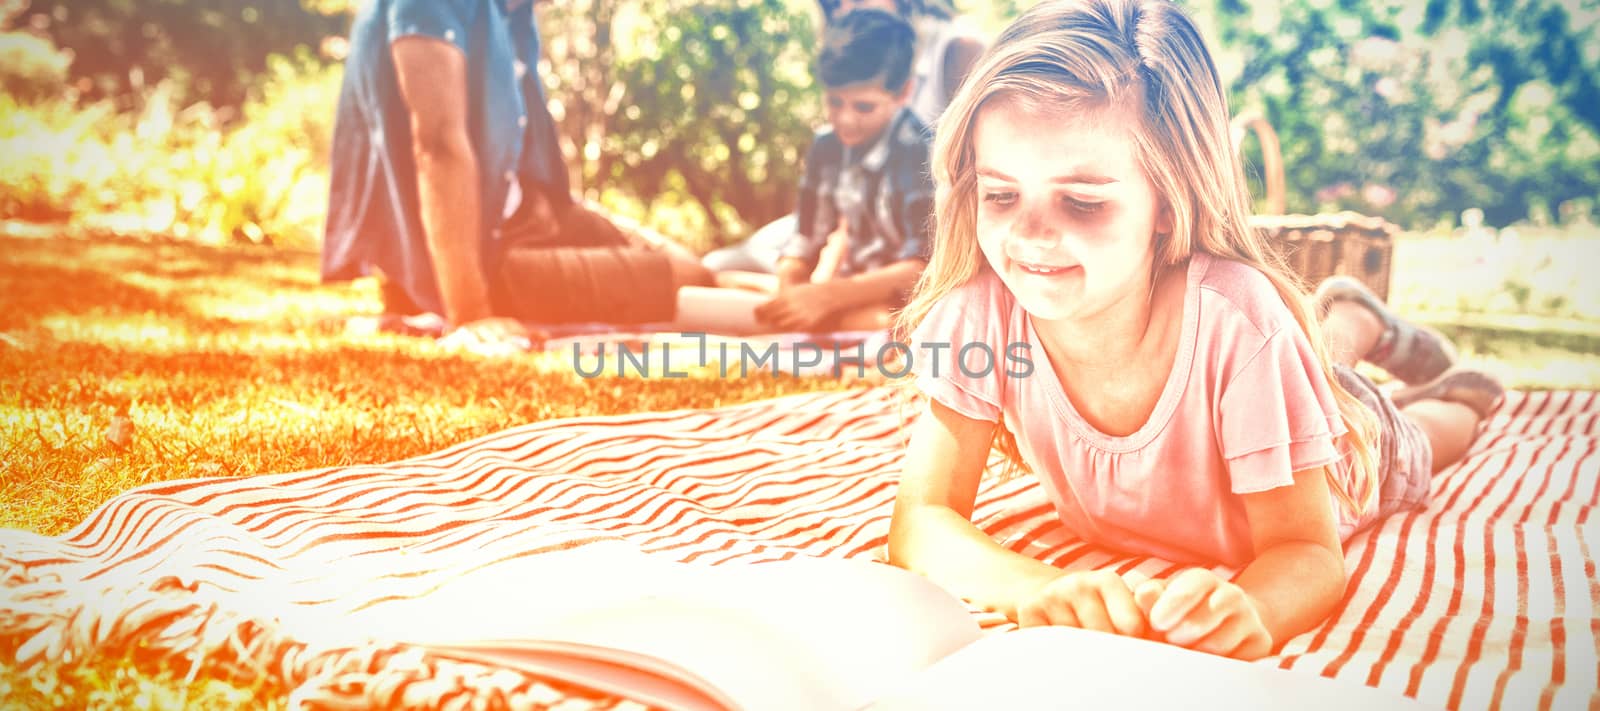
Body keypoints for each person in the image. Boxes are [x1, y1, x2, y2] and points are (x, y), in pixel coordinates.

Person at [886, 0, 1505, 663]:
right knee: (1316, 365)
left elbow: (1306, 552)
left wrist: (1259, 607)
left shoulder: (1240, 322)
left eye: (1082, 201)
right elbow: (921, 520)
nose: (1028, 236)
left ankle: (1460, 388)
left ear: (1167, 199)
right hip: (1276, 379)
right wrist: (1039, 587)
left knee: (1408, 431)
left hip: (1345, 453)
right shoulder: (982, 313)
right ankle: (1350, 316)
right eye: (1000, 195)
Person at [322, 0, 711, 353]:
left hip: (536, 215)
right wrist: (472, 314)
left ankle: (769, 284)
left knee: (695, 269)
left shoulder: (514, 12)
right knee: (685, 281)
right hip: (488, 260)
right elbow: (437, 144)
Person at [700, 0, 984, 276]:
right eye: (834, 4)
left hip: (919, 232)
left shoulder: (956, 51)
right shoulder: (846, 62)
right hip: (853, 226)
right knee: (718, 266)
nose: (847, 9)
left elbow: (967, 189)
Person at [736, 8, 935, 333]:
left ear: (904, 93)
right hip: (840, 295)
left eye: (863, 107)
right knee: (714, 285)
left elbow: (924, 267)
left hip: (897, 303)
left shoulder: (920, 151)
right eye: (834, 103)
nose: (845, 120)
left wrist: (827, 297)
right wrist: (791, 285)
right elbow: (805, 236)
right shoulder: (827, 147)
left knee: (890, 324)